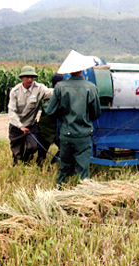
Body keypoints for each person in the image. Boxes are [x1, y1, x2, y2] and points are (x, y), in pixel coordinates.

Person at [44, 50, 101, 185]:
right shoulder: (91, 88)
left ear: (69, 70)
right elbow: (96, 113)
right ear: (82, 69)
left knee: (64, 168)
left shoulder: (60, 87)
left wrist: (62, 116)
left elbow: (50, 111)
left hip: (66, 134)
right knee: (83, 171)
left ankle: (59, 192)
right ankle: (83, 197)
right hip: (83, 135)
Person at [8, 65, 53, 166]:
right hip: (17, 126)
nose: (29, 79)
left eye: (32, 77)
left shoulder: (39, 88)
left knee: (32, 147)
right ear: (22, 78)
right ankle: (18, 167)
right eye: (27, 77)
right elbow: (11, 111)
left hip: (31, 125)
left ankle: (26, 161)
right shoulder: (15, 91)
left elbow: (50, 93)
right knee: (17, 152)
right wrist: (21, 126)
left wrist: (63, 89)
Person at [36, 73, 64, 166]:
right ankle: (40, 165)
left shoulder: (63, 95)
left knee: (64, 148)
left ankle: (52, 164)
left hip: (57, 130)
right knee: (42, 150)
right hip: (46, 129)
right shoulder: (49, 96)